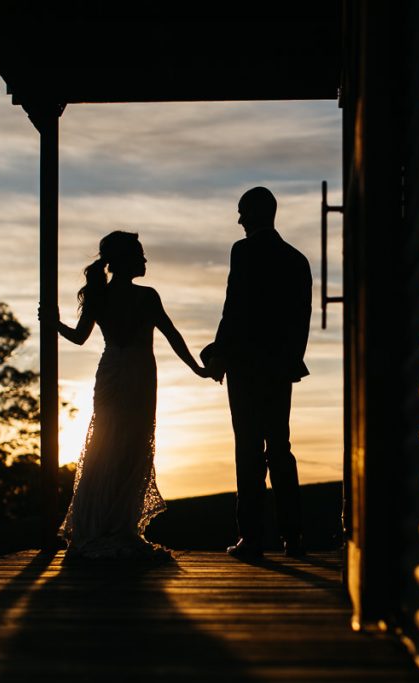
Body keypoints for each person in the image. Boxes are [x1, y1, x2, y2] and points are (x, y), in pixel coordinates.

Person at [50, 230, 210, 559]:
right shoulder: (147, 297)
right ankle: (115, 527)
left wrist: (55, 324)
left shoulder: (101, 296)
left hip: (113, 372)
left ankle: (110, 525)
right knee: (126, 446)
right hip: (135, 375)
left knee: (112, 445)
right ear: (124, 261)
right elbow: (173, 336)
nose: (145, 259)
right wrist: (196, 368)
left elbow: (78, 337)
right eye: (139, 254)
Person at [204, 187, 312, 559]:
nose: (238, 220)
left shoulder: (244, 251)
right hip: (280, 368)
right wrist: (291, 360)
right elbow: (301, 318)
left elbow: (235, 308)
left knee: (248, 449)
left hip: (247, 367)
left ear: (254, 213)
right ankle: (293, 536)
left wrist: (219, 354)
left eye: (241, 212)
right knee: (280, 447)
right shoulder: (297, 260)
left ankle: (251, 538)